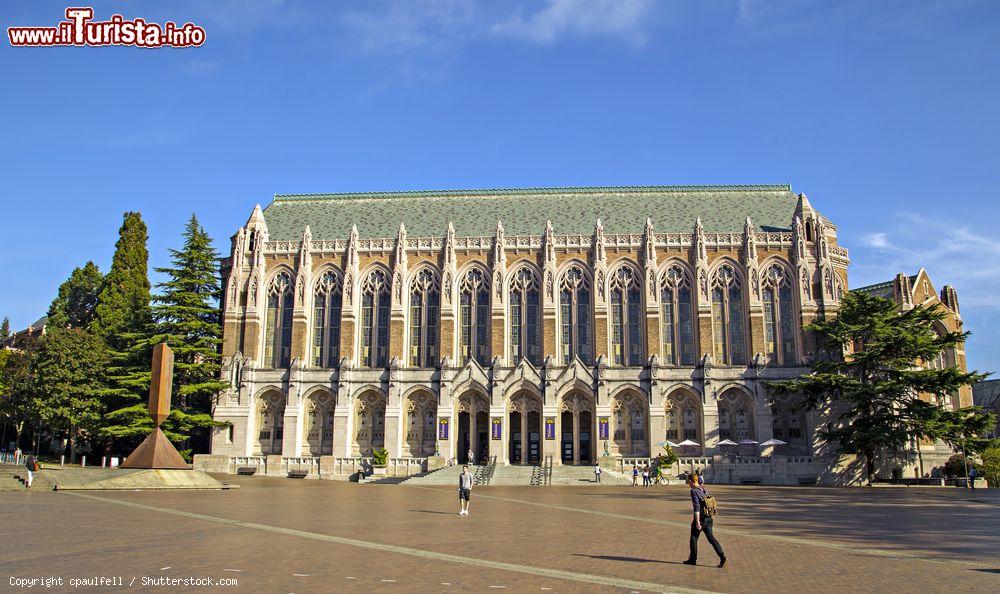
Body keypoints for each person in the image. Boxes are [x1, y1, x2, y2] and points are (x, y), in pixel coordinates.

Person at [684, 473, 726, 568]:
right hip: (708, 517)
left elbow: (697, 507)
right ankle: (722, 556)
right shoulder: (704, 489)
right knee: (711, 538)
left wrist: (697, 522)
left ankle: (692, 559)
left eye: (688, 482)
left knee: (693, 539)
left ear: (691, 481)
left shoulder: (694, 491)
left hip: (701, 518)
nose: (688, 484)